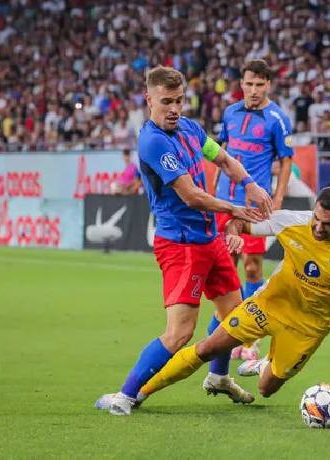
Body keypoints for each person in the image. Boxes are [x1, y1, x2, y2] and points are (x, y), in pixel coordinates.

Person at [96, 66, 273, 416]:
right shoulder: (152, 141)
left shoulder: (191, 128)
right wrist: (236, 209)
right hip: (181, 245)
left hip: (209, 239)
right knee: (180, 334)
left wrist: (250, 183)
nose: (174, 108)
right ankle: (126, 395)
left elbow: (222, 158)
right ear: (149, 100)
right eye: (166, 101)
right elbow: (191, 195)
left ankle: (219, 377)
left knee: (234, 318)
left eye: (179, 100)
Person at [133, 186, 330, 406]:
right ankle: (138, 393)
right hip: (269, 305)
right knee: (209, 347)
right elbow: (241, 221)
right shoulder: (293, 221)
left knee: (266, 389)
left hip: (309, 327)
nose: (318, 228)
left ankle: (263, 364)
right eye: (316, 219)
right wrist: (233, 232)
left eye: (327, 224)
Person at [214, 59, 294, 361]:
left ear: (268, 85)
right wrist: (211, 192)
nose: (254, 90)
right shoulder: (230, 113)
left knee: (251, 267)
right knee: (225, 269)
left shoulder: (277, 118)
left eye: (260, 84)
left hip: (254, 205)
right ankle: (230, 332)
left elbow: (286, 159)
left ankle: (250, 339)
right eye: (249, 83)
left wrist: (278, 197)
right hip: (224, 200)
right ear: (241, 84)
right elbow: (221, 155)